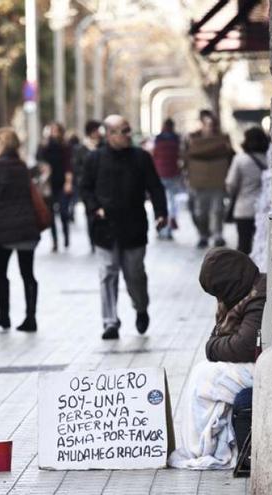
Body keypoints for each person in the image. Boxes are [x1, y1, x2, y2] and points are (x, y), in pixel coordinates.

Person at [168, 248, 266, 469]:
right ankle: (207, 444)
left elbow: (243, 346)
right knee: (203, 375)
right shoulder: (245, 293)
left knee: (205, 377)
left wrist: (212, 348)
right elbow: (224, 339)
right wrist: (215, 347)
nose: (219, 298)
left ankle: (200, 448)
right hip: (255, 362)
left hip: (263, 366)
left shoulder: (258, 296)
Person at [80, 115, 168, 340]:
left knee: (135, 274)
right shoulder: (95, 159)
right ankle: (110, 322)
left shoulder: (141, 157)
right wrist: (94, 208)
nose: (129, 135)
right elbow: (86, 188)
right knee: (107, 273)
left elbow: (155, 187)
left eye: (128, 130)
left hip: (134, 226)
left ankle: (141, 307)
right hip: (105, 228)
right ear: (109, 134)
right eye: (124, 131)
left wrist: (160, 213)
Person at [0, 128, 40, 332]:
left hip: (4, 227)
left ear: (3, 144)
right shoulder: (22, 166)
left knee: (0, 272)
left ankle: (4, 315)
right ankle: (30, 317)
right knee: (28, 273)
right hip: (26, 226)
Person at [184, 110, 234, 249]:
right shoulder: (192, 138)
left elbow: (230, 155)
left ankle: (217, 235)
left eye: (212, 124)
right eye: (207, 124)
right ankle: (203, 235)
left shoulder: (222, 138)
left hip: (217, 180)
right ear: (201, 124)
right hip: (198, 181)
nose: (210, 127)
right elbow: (186, 156)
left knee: (217, 210)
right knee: (200, 212)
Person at [226, 127, 270, 255]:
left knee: (244, 246)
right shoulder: (270, 159)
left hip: (244, 210)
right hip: (264, 209)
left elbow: (231, 184)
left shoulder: (240, 160)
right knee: (262, 247)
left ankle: (244, 273)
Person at [36, 122, 73, 251]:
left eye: (56, 130)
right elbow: (38, 160)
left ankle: (66, 236)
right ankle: (55, 241)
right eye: (51, 130)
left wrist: (68, 182)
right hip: (48, 184)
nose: (54, 133)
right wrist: (43, 167)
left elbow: (69, 165)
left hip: (62, 182)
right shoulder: (43, 146)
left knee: (63, 211)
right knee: (50, 214)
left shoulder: (65, 146)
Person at [72, 120, 102, 253]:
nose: (98, 133)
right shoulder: (81, 149)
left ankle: (101, 238)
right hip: (88, 187)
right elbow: (76, 167)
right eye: (96, 130)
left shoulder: (104, 146)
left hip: (102, 186)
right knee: (90, 213)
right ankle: (93, 241)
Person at [151, 118, 183, 240]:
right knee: (172, 202)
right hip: (173, 174)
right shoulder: (176, 139)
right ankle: (169, 228)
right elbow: (180, 156)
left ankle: (161, 229)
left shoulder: (158, 139)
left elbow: (154, 155)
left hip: (159, 174)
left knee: (160, 202)